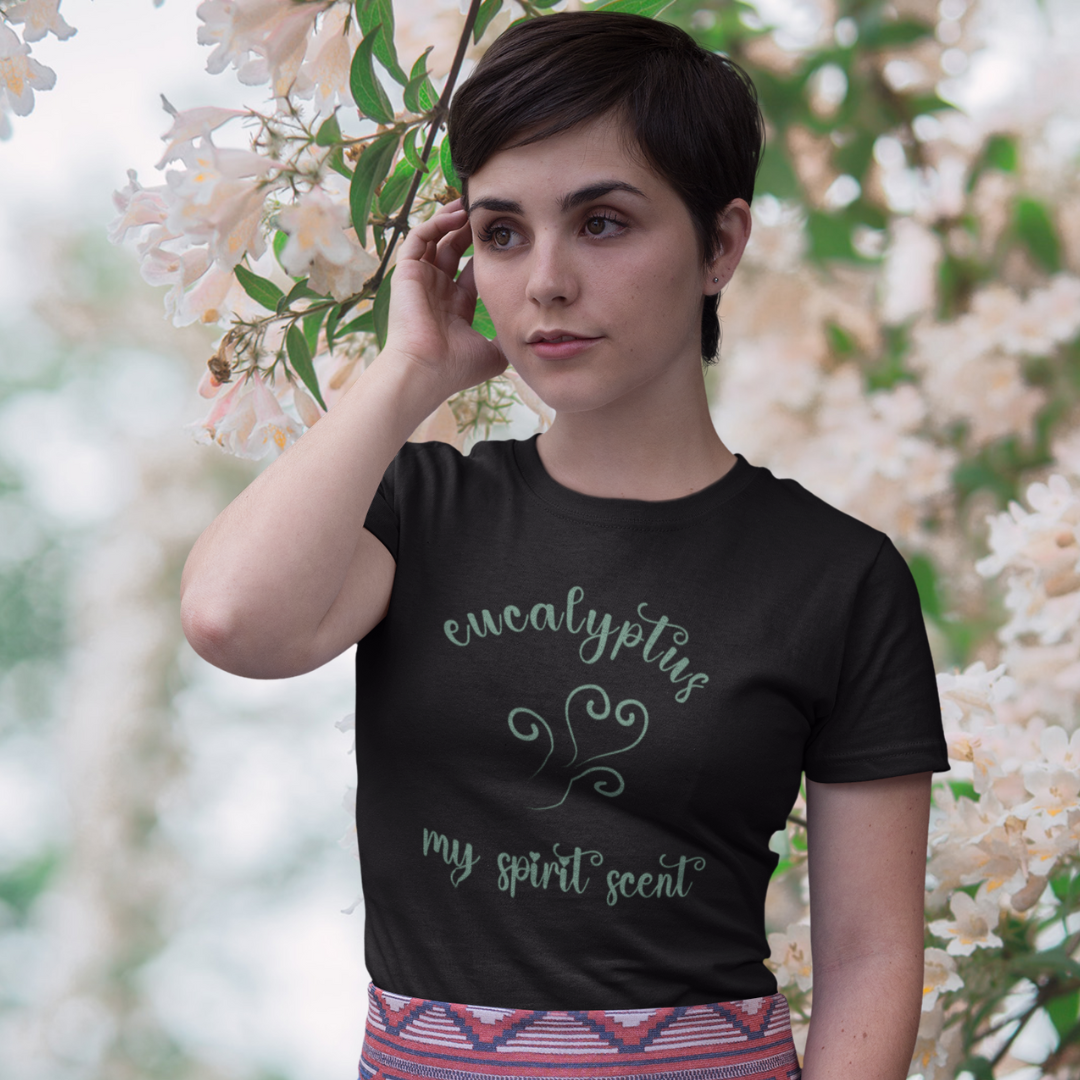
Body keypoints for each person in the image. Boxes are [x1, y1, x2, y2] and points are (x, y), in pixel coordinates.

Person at [180, 12, 949, 1080]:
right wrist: (409, 373)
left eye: (601, 223)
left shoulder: (839, 578)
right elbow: (232, 620)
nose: (544, 280)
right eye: (501, 232)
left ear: (721, 243)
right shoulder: (420, 512)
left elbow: (871, 956)